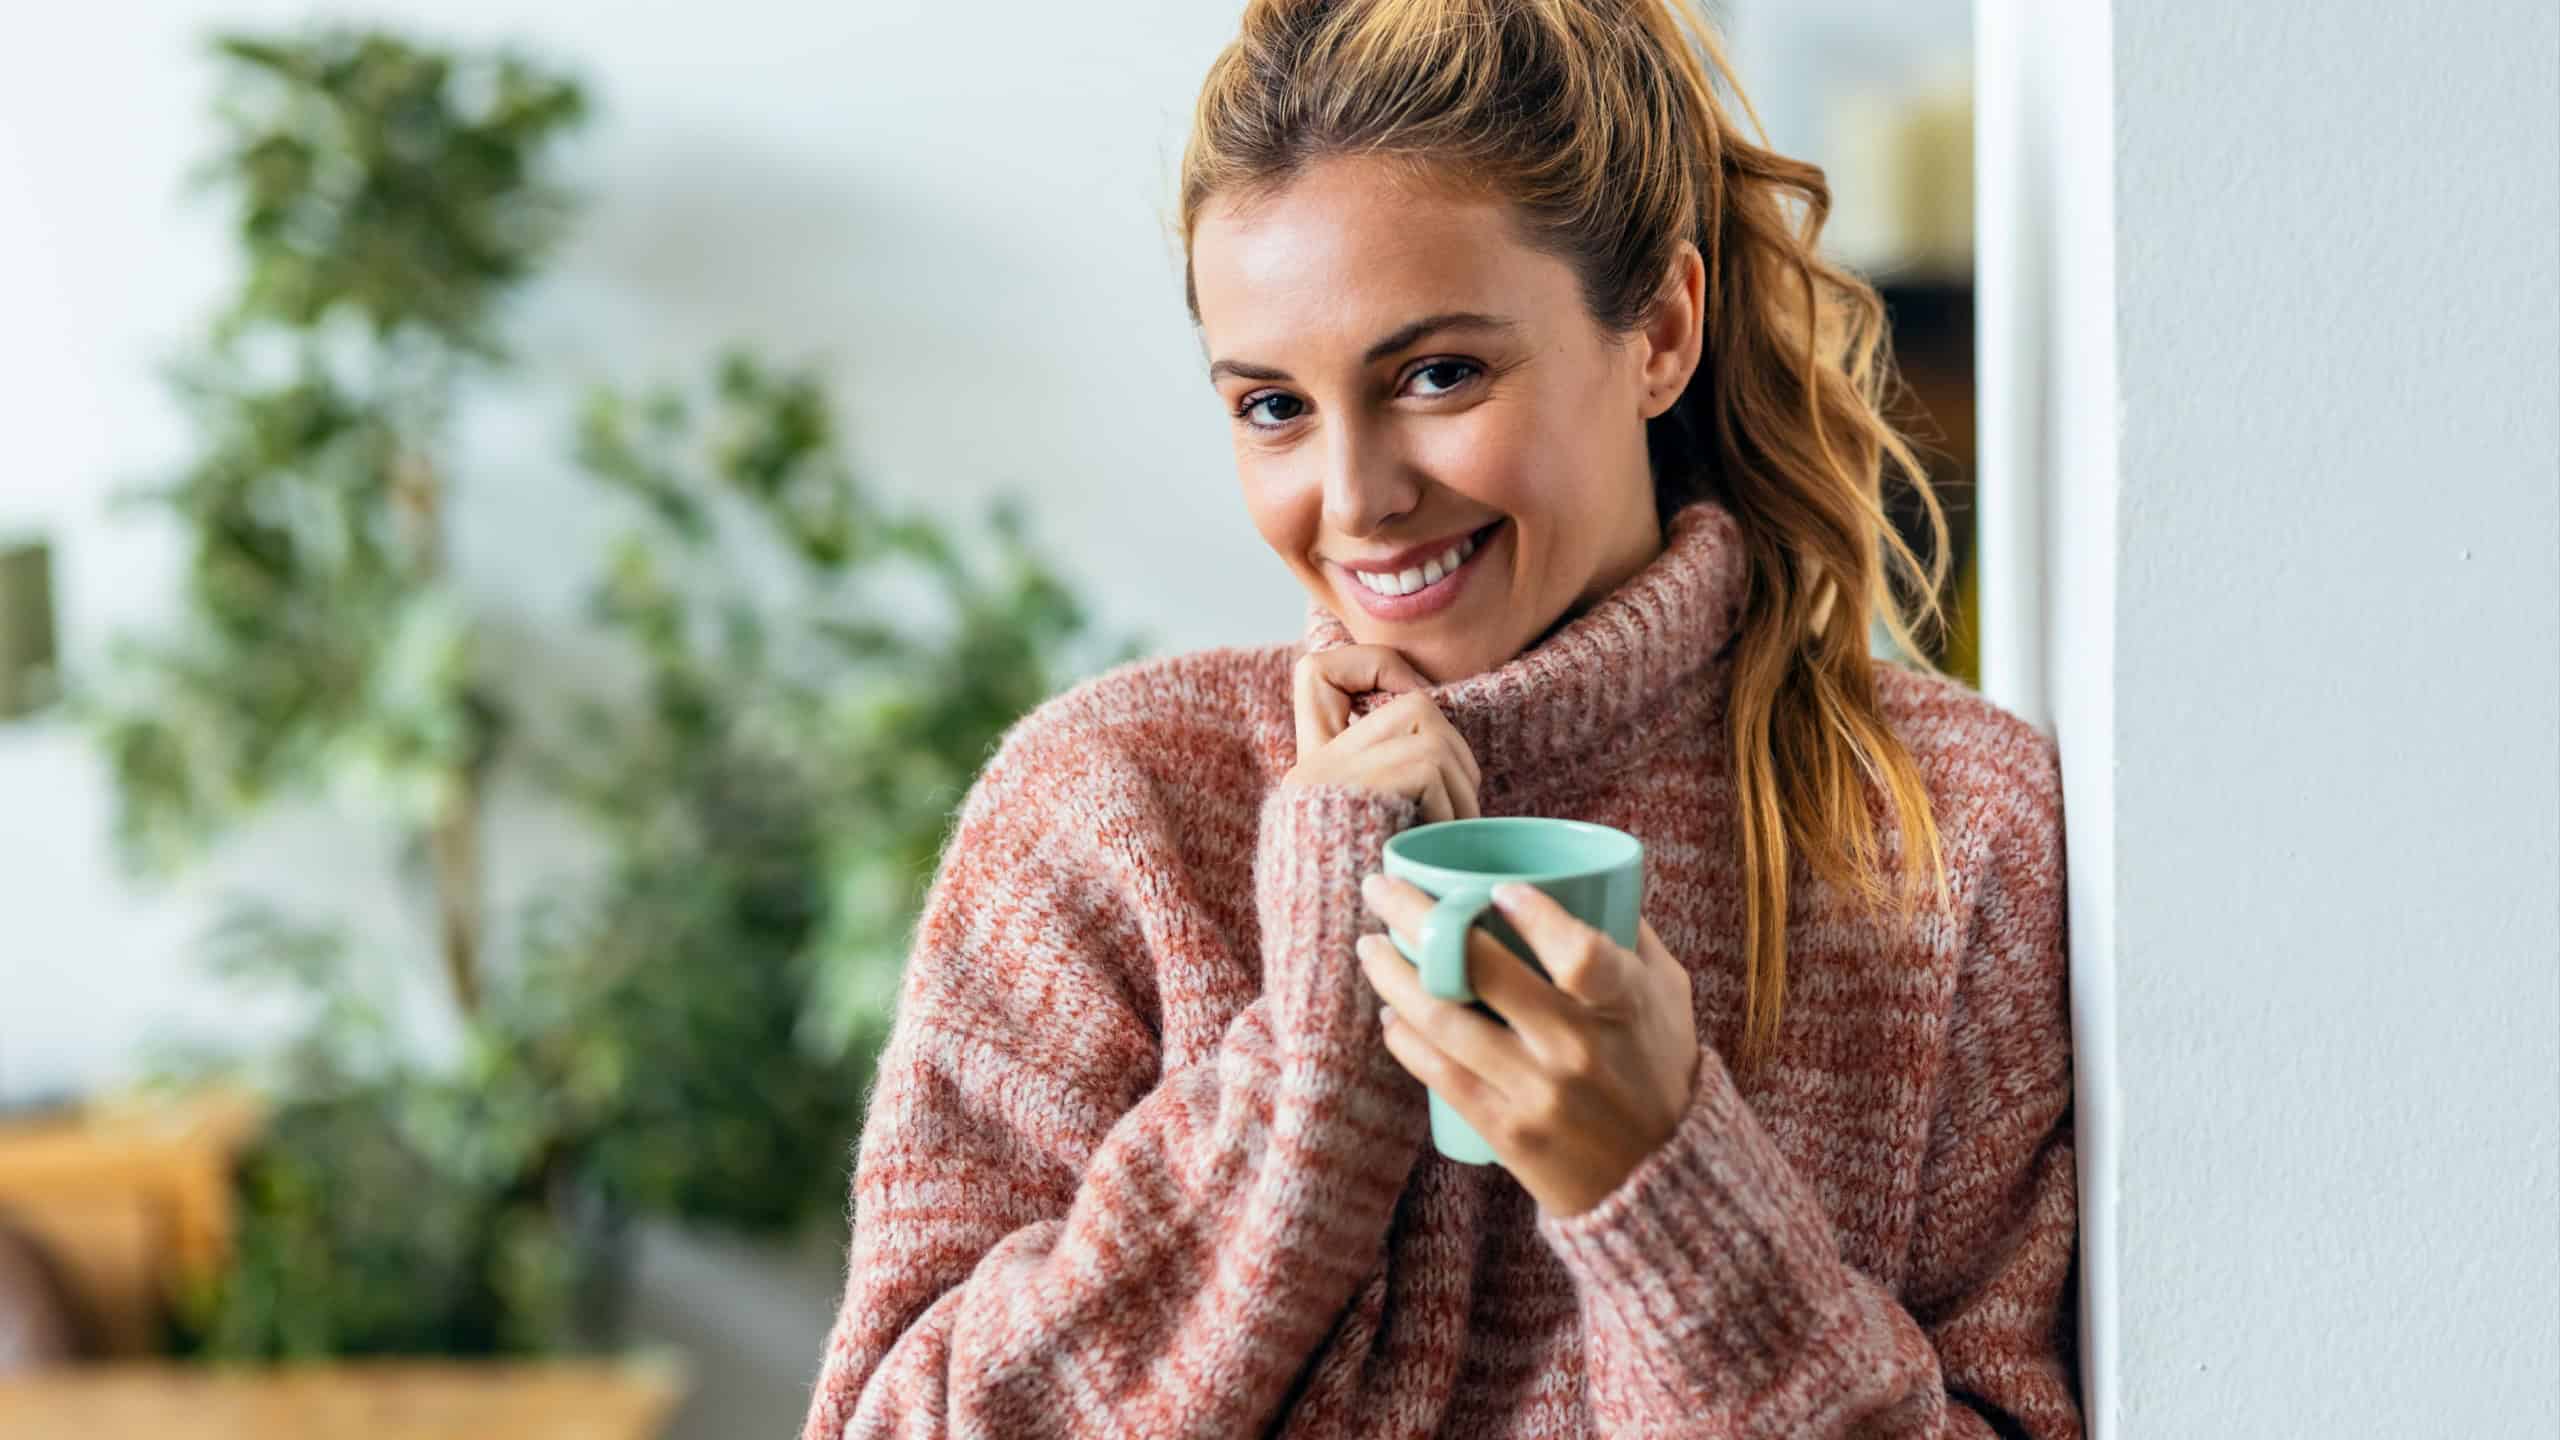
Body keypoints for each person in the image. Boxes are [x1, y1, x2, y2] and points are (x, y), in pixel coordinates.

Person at [799, 0, 2082, 1435]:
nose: (1355, 500)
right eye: (1274, 406)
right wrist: (1310, 1066)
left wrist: (1666, 1192)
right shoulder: (1108, 810)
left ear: (1659, 329)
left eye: (1437, 375)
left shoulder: (1951, 825)